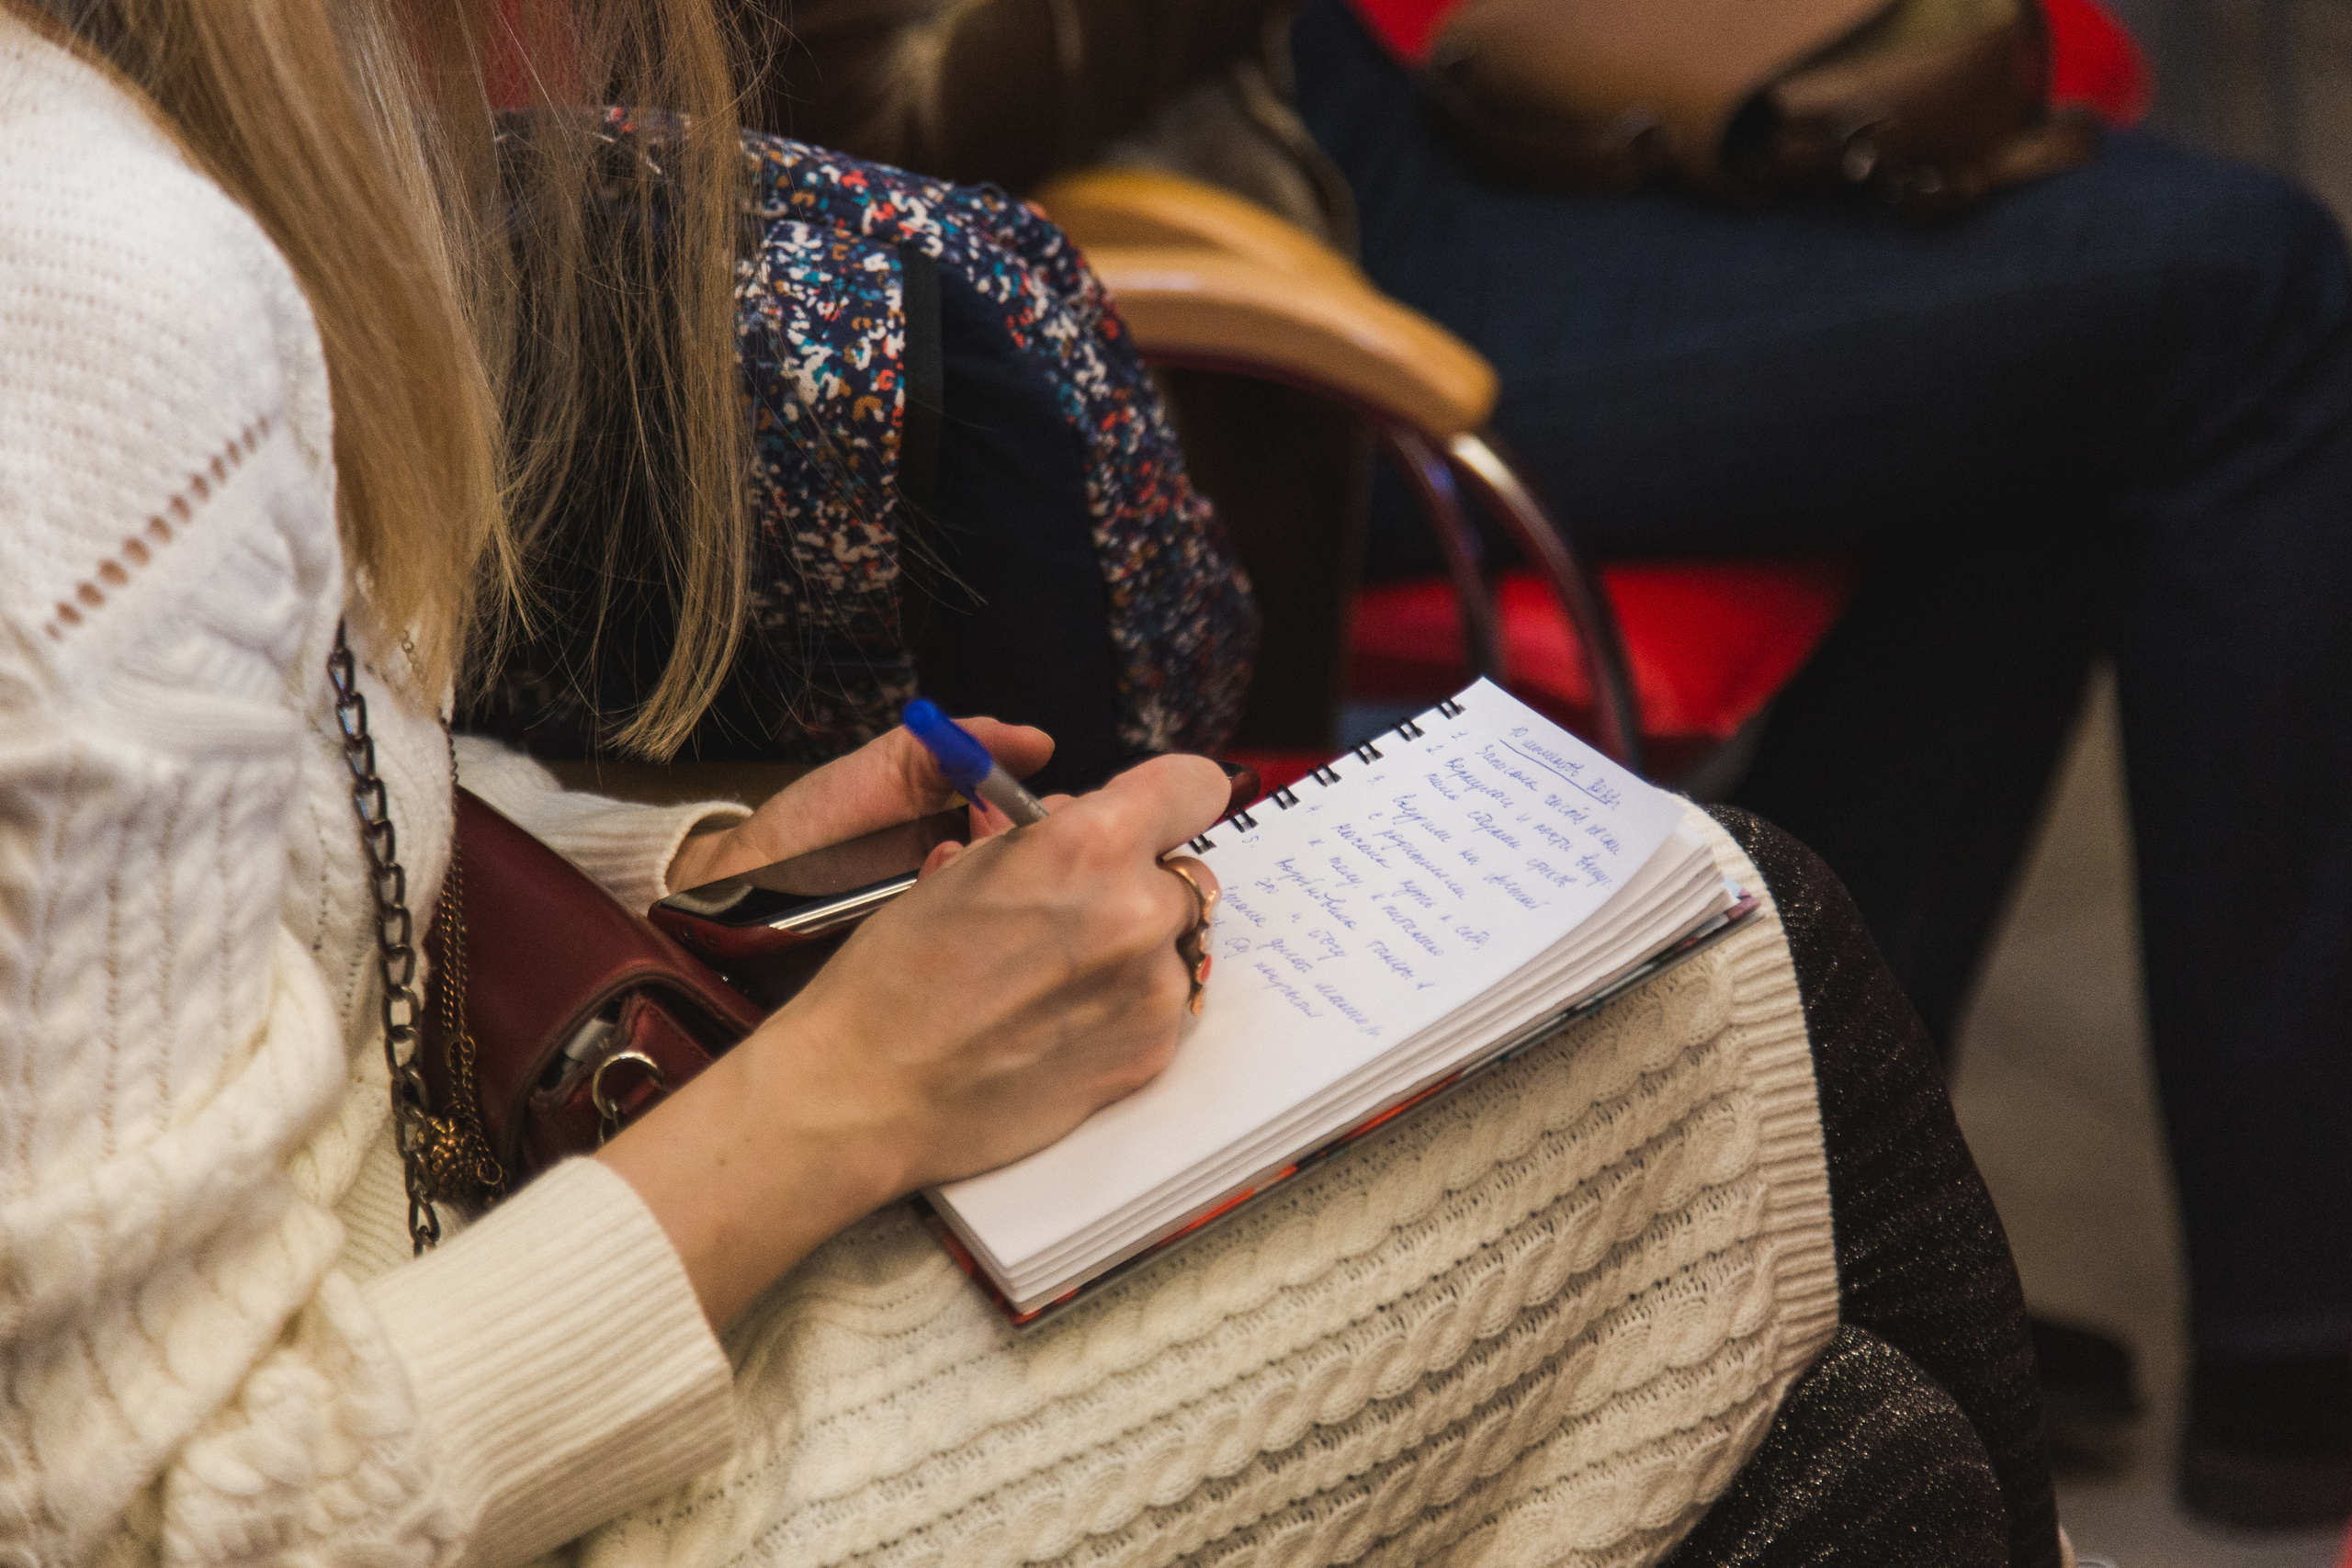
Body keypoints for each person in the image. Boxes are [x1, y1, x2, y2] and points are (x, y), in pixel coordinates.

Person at [0, 0, 2067, 1561]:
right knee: (1728, 973)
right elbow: (177, 1519)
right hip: (471, 1429)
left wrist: (700, 863)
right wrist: (854, 1086)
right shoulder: (118, 301)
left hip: (453, 1289)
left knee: (1851, 1423)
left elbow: (254, 838)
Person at [757, 0, 2352, 1527]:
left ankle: (1839, 1208)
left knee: (2109, 335)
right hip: (1222, 295)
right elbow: (877, 106)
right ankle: (2285, 1327)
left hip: (1348, 144)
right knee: (2249, 296)